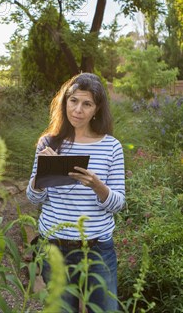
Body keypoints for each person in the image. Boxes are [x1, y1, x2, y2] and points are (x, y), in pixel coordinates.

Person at [27, 73, 125, 312]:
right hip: (55, 249)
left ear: (96, 109)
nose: (78, 110)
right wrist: (42, 175)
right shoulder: (48, 144)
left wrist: (97, 186)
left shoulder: (111, 146)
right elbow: (34, 198)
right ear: (65, 102)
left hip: (98, 250)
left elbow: (118, 204)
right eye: (73, 101)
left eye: (87, 104)